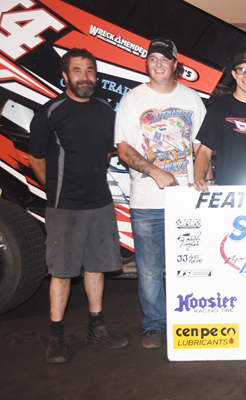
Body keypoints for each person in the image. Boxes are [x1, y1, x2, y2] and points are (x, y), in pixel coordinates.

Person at [29, 48, 128, 363]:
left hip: (100, 204)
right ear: (65, 76)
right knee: (61, 273)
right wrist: (57, 194)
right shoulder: (50, 112)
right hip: (65, 207)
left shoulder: (104, 110)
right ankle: (56, 336)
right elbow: (37, 159)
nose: (85, 76)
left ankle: (96, 327)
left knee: (97, 267)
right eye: (78, 70)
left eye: (90, 71)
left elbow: (112, 152)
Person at [115, 38, 206, 349]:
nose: (158, 64)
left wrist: (200, 175)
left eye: (164, 59)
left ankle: (192, 319)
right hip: (147, 201)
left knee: (193, 264)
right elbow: (123, 147)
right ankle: (154, 324)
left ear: (174, 64)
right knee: (151, 270)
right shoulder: (133, 100)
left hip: (185, 201)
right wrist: (154, 171)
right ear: (146, 63)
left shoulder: (191, 99)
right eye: (152, 58)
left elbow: (201, 146)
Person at [193, 51, 246, 191]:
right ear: (233, 74)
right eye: (241, 70)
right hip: (229, 192)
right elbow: (204, 150)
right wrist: (199, 178)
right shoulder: (218, 109)